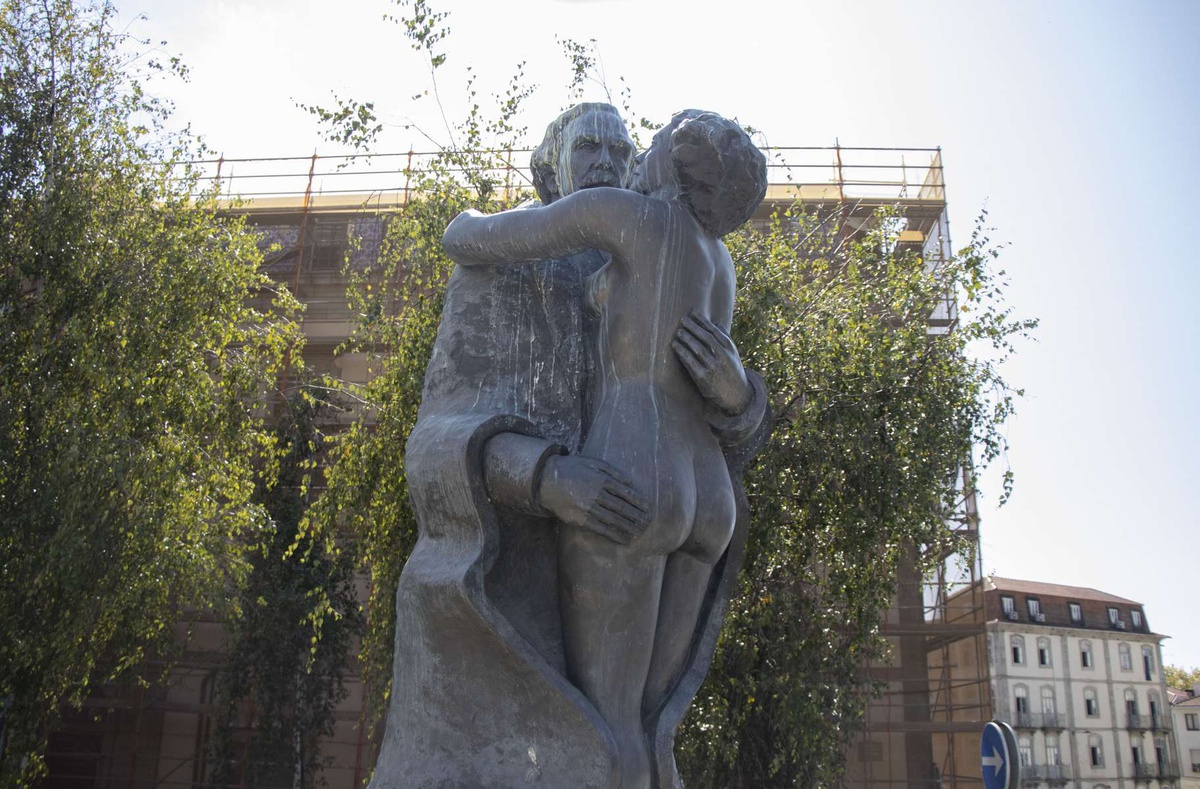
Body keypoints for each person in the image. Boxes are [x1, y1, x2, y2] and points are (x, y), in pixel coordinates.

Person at [441, 109, 769, 789]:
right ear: (550, 159)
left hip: (635, 465)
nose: (612, 159)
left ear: (662, 162)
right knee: (651, 725)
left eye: (629, 146)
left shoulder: (622, 217)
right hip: (705, 497)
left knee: (607, 723)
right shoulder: (720, 255)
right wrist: (544, 476)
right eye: (587, 144)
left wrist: (742, 398)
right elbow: (439, 435)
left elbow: (469, 237)